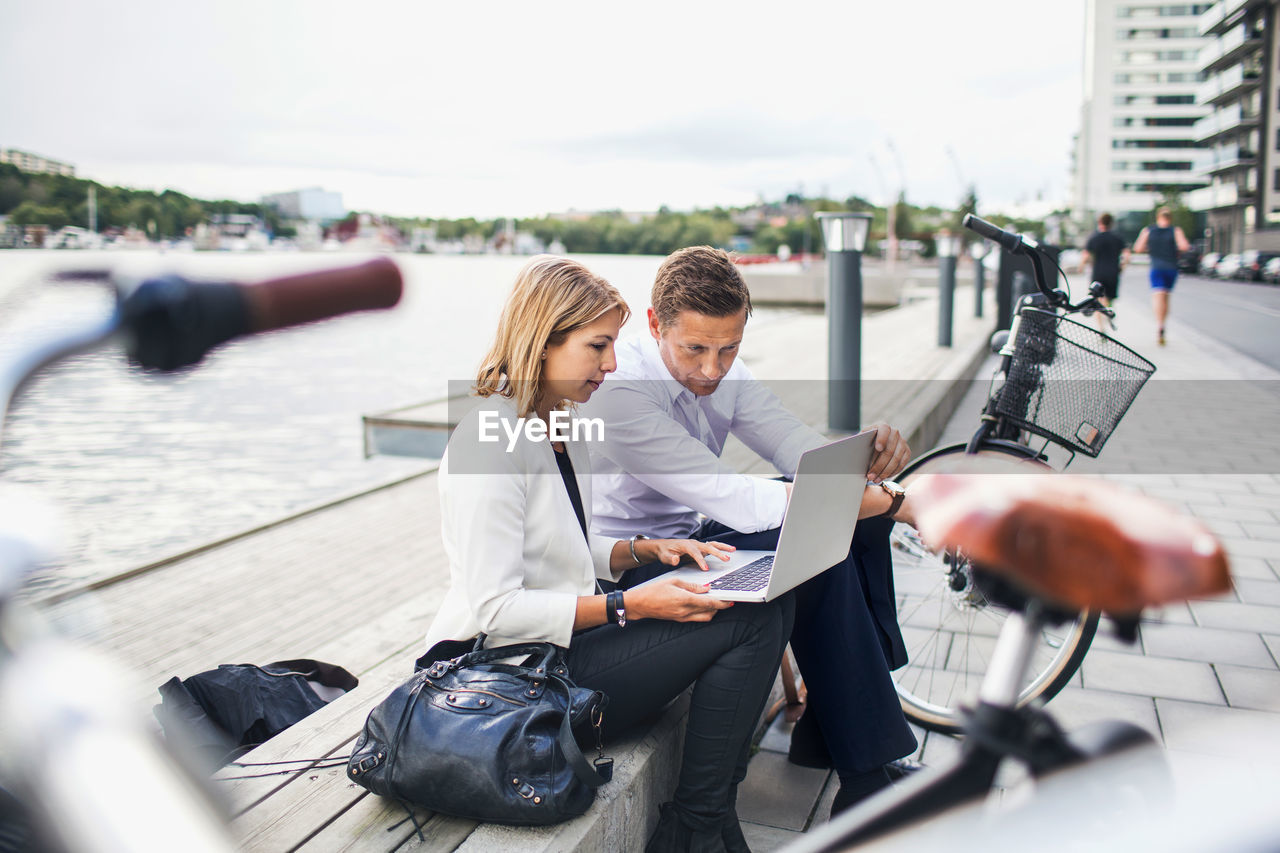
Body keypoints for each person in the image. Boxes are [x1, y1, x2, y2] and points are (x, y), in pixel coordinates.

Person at [423, 255, 795, 853]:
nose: (614, 364)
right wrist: (631, 606)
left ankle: (704, 820)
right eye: (598, 346)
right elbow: (494, 608)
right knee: (749, 619)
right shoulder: (488, 442)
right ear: (543, 341)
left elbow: (555, 543)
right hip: (510, 678)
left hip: (558, 653)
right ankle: (699, 826)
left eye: (615, 345)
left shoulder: (555, 425)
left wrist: (642, 549)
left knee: (764, 593)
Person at [581, 246, 922, 818]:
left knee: (844, 521)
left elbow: (798, 448)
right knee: (828, 531)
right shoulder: (618, 391)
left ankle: (837, 728)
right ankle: (865, 773)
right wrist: (893, 504)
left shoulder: (722, 369)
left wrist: (864, 459)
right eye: (695, 349)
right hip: (634, 566)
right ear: (654, 325)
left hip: (698, 539)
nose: (713, 369)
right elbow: (737, 499)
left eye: (730, 348)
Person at [1132, 207, 1190, 346]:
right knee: (1166, 297)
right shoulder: (1175, 230)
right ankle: (1163, 324)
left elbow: (1137, 248)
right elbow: (1184, 246)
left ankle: (1159, 324)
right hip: (1171, 267)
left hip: (1156, 267)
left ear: (1158, 217)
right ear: (1170, 218)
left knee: (1158, 296)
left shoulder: (1148, 230)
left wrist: (1151, 247)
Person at [1080, 213, 1130, 331]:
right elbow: (1127, 255)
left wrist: (1081, 267)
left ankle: (1101, 327)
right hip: (1113, 272)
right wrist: (1123, 266)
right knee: (1109, 299)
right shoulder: (1117, 238)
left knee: (1097, 300)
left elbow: (1085, 256)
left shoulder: (1094, 237)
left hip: (1098, 272)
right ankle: (1108, 315)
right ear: (1111, 223)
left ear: (1099, 222)